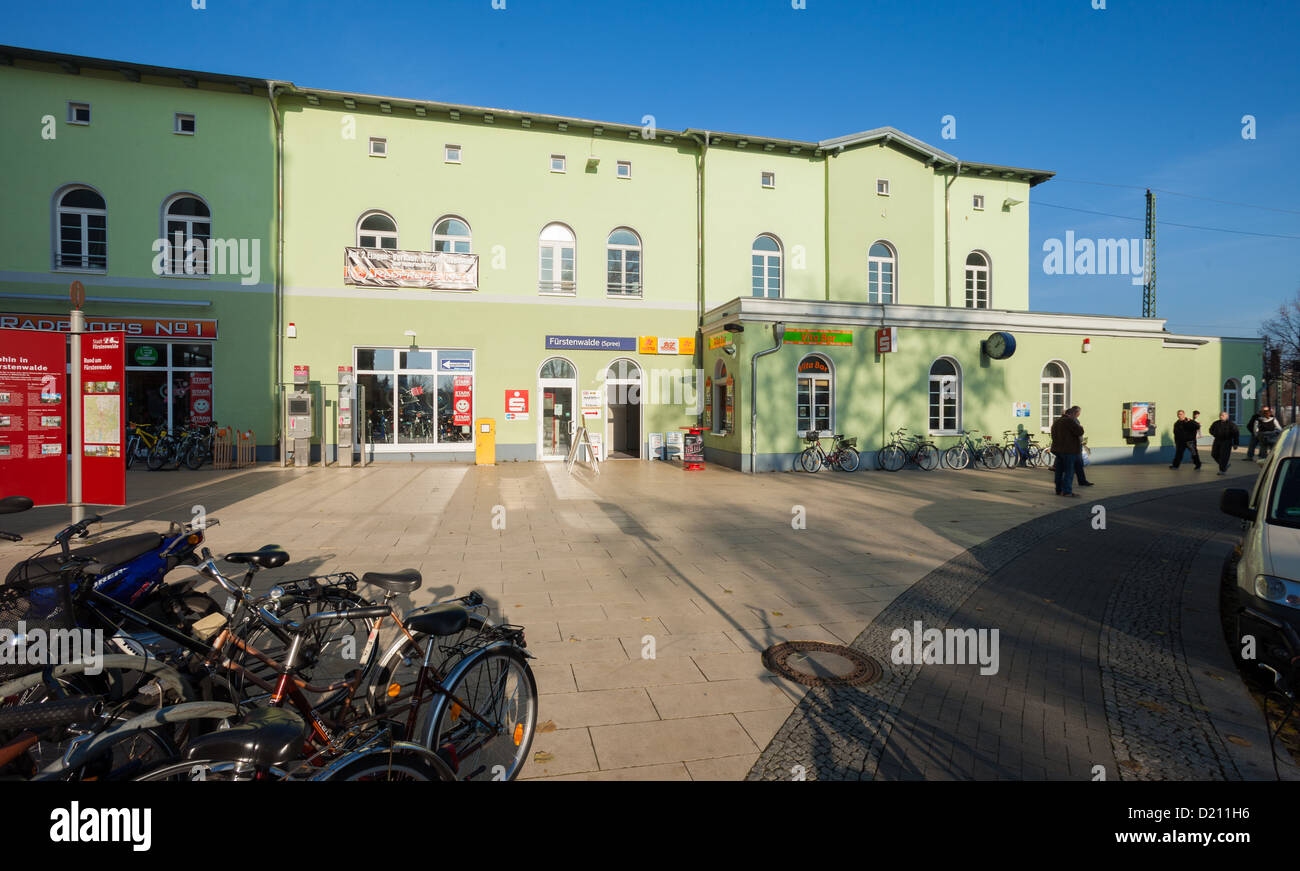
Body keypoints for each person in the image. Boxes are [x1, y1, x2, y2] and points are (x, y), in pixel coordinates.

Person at [1051, 406, 1084, 497]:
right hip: (1069, 450)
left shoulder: (1056, 422)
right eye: (1076, 415)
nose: (1076, 417)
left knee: (1059, 471)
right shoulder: (1069, 421)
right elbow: (1080, 432)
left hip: (1057, 450)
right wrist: (1079, 426)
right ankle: (1067, 491)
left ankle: (1058, 490)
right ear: (1072, 414)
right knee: (1069, 471)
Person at [1208, 411, 1240, 475]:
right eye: (1220, 415)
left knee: (1224, 456)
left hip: (1227, 441)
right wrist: (1215, 434)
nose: (1221, 416)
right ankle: (1225, 465)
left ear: (1227, 416)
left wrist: (1236, 443)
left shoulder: (1231, 424)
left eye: (1223, 415)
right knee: (1214, 454)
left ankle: (1222, 470)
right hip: (1217, 440)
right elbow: (1211, 430)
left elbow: (1236, 434)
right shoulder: (1216, 423)